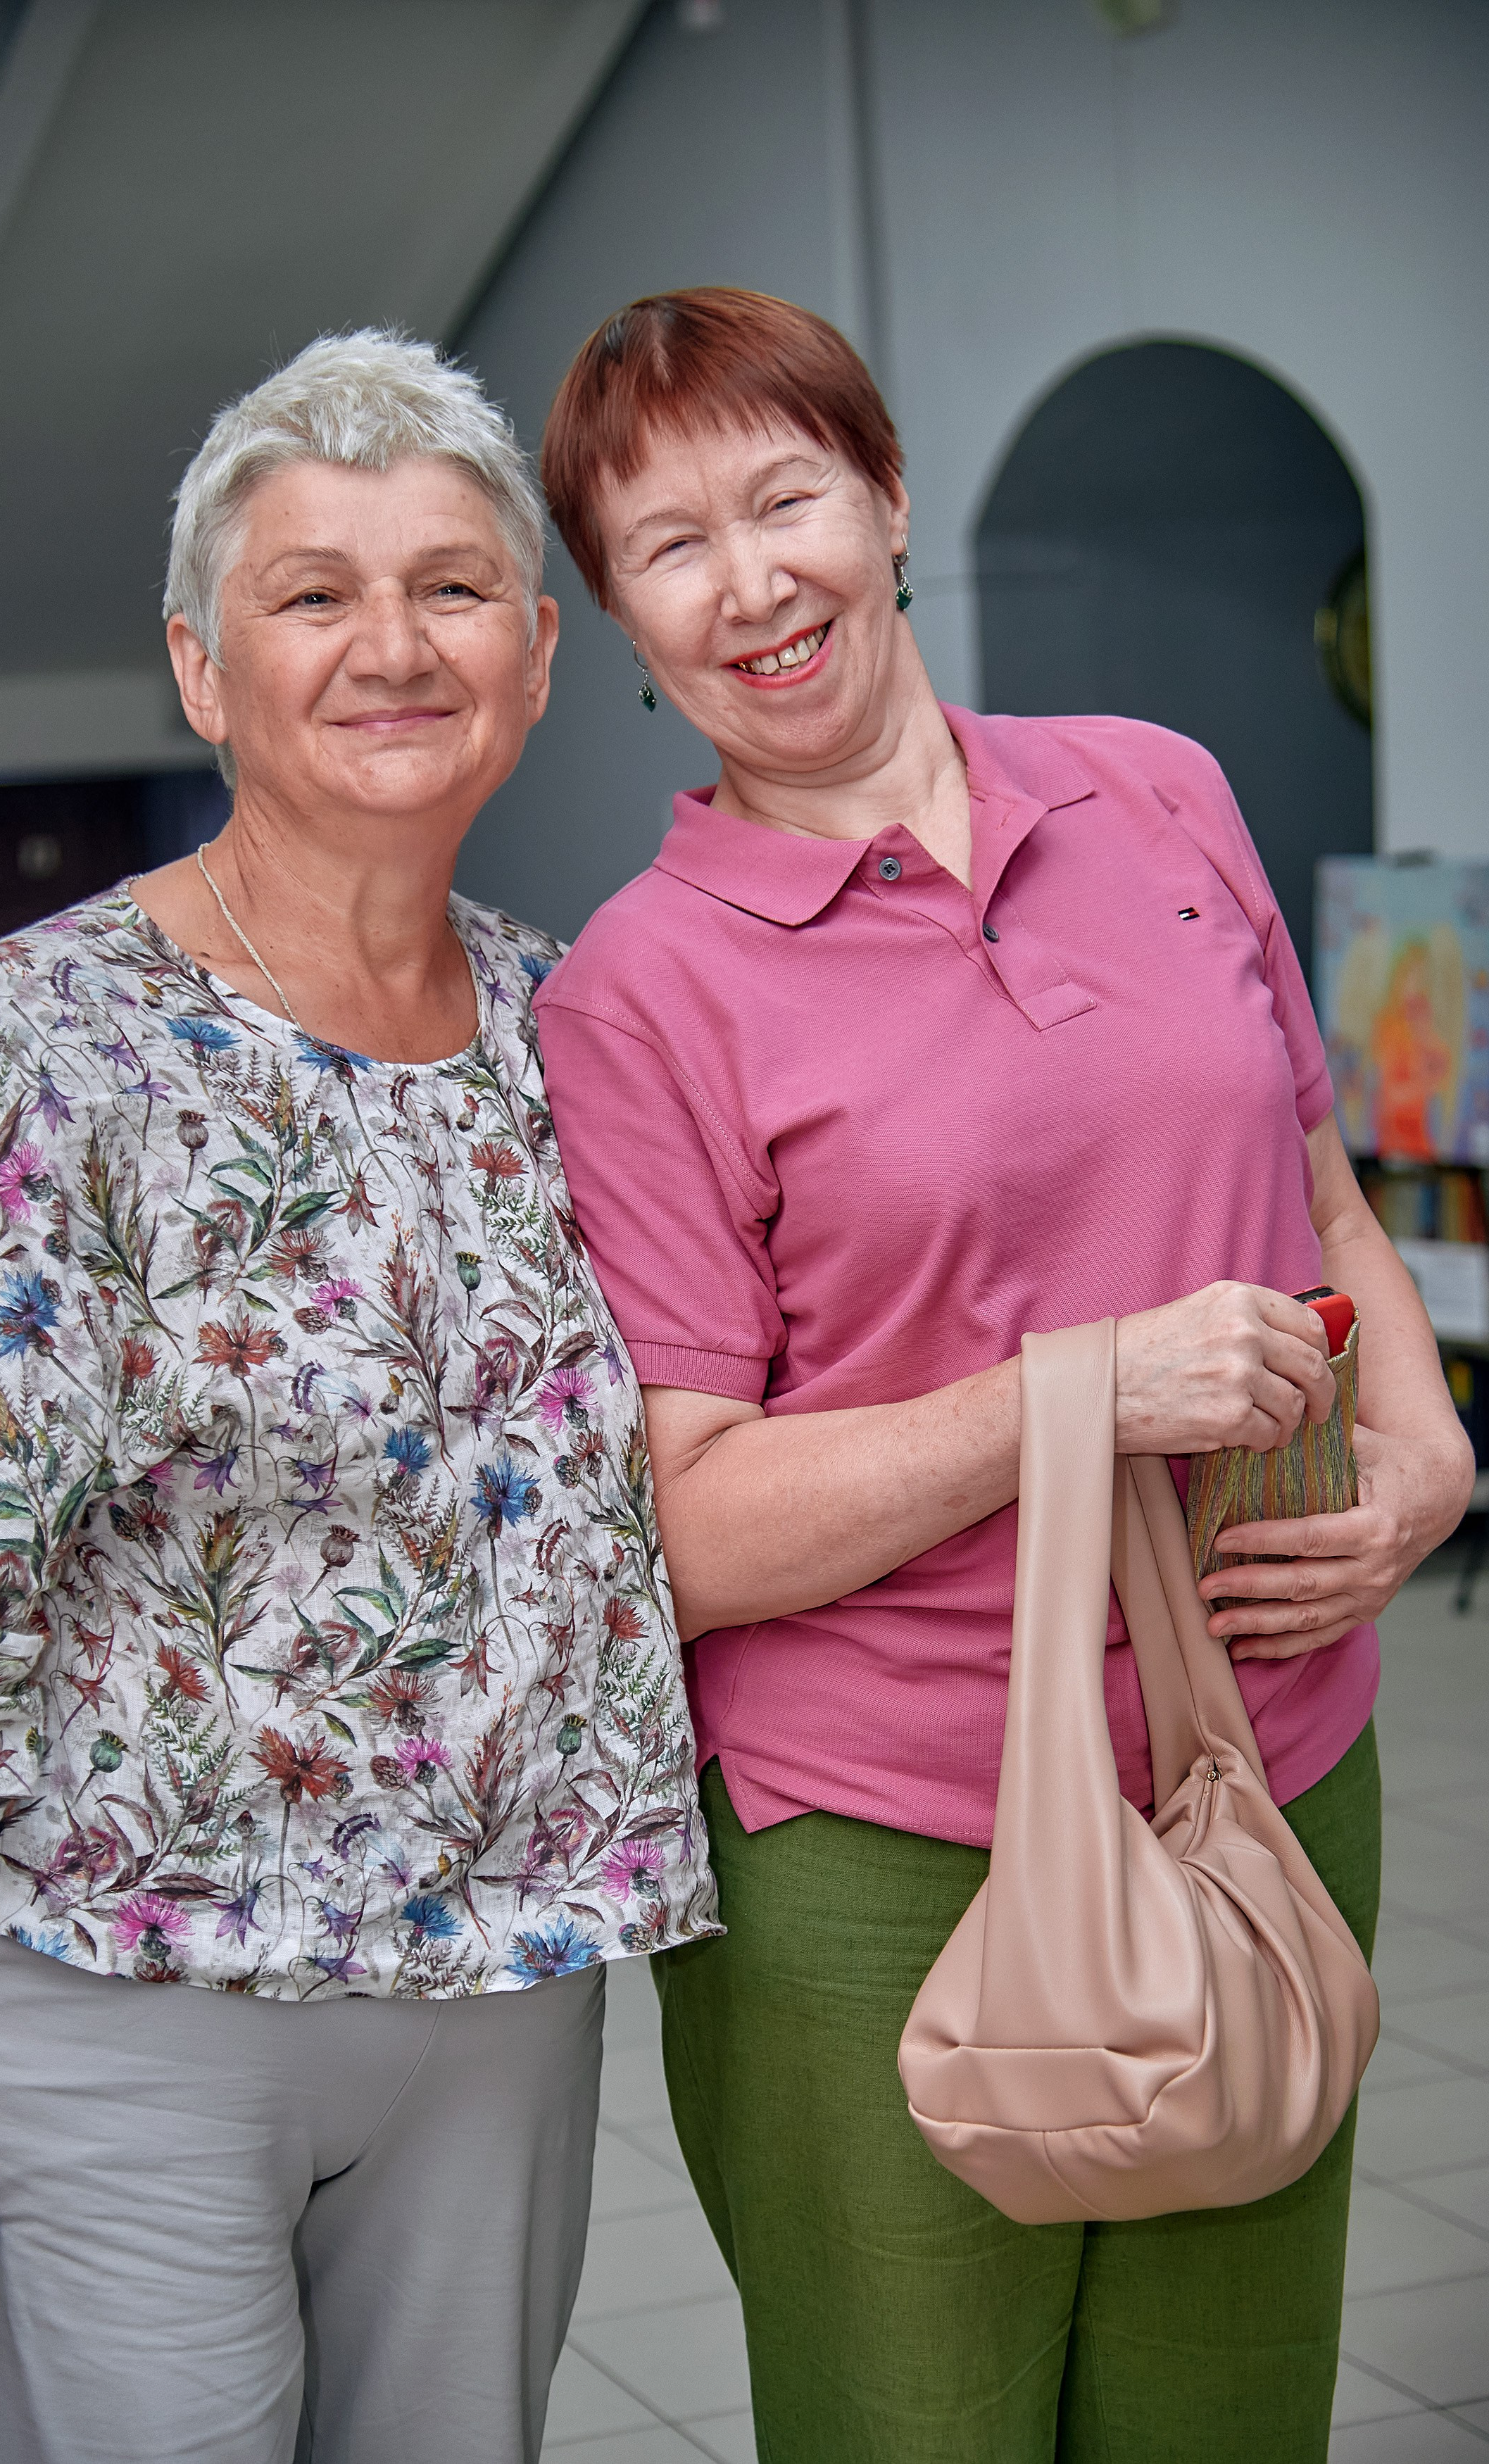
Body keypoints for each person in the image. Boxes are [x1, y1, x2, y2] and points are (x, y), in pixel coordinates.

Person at [530, 289, 1474, 2463]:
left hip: (1267, 1764)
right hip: (890, 1849)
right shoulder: (637, 997)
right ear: (618, 621)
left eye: (786, 497)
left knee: (1227, 2418)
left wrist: (1424, 1453)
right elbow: (686, 1525)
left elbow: (1316, 1196)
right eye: (671, 544)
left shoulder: (1158, 794)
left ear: (882, 503)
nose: (753, 579)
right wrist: (1078, 1388)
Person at [0, 328, 717, 2464]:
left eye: (445, 587)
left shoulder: (582, 1025)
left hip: (501, 2001)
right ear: (200, 666)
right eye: (311, 591)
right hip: (113, 2000)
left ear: (529, 654)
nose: (387, 644)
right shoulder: (35, 1048)